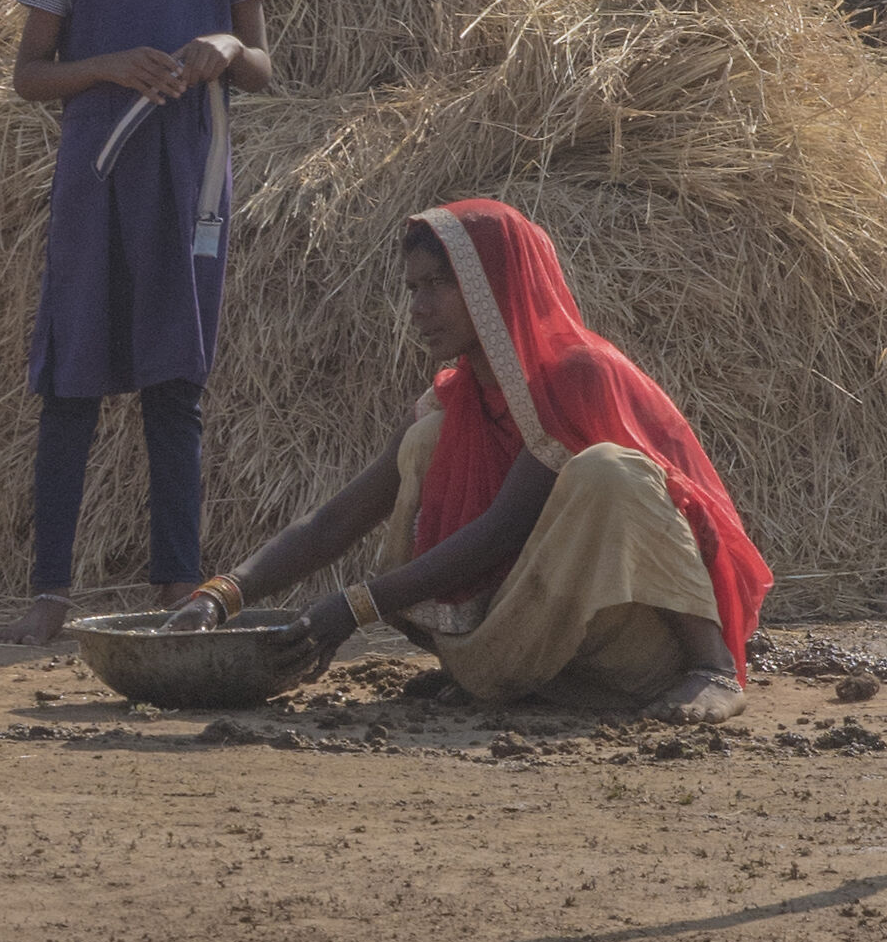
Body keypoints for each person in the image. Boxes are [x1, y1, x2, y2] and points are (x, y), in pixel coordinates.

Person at [168, 200, 772, 723]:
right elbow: (337, 520)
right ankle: (511, 676)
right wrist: (219, 597)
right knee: (424, 440)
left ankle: (711, 667)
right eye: (413, 289)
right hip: (549, 643)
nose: (420, 308)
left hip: (637, 653)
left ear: (494, 286)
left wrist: (353, 608)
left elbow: (502, 530)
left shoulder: (575, 374)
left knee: (607, 471)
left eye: (439, 285)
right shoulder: (460, 394)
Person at [0, 0, 279, 645]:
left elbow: (264, 70)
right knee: (70, 378)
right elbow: (29, 76)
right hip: (95, 189)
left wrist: (222, 45)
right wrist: (109, 67)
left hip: (190, 188)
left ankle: (179, 585)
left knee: (174, 382)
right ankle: (49, 591)